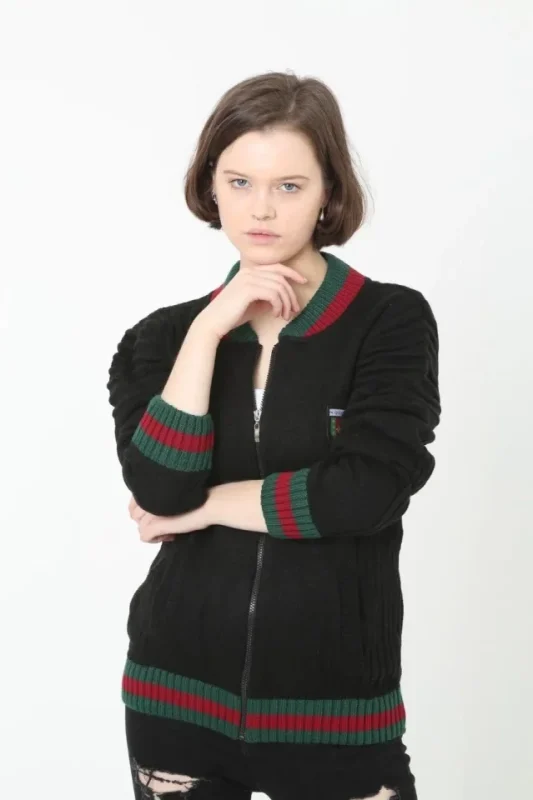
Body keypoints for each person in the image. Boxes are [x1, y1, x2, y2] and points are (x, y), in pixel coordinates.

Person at [107, 70, 441, 800]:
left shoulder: (388, 322)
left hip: (337, 713)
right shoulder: (160, 338)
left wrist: (202, 508)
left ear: (328, 193)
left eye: (289, 185)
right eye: (239, 182)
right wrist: (208, 331)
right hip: (174, 700)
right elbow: (159, 486)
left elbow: (365, 494)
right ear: (211, 186)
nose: (260, 208)